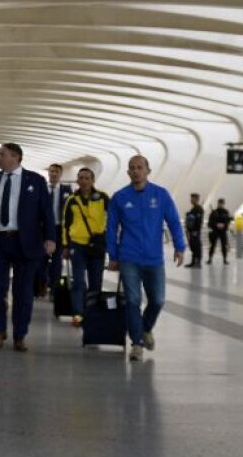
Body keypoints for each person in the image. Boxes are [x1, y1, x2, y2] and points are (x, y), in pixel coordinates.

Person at [0, 143, 54, 351]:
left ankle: (20, 334)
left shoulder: (35, 181)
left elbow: (46, 212)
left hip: (26, 243)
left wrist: (50, 238)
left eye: (2, 155)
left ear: (15, 157)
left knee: (23, 291)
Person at [107, 155, 185, 362]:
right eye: (132, 168)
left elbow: (174, 222)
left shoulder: (161, 195)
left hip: (154, 258)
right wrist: (113, 255)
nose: (136, 171)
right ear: (128, 172)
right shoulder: (120, 197)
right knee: (133, 300)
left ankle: (146, 328)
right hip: (129, 257)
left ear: (148, 171)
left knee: (157, 300)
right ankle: (137, 344)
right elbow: (111, 228)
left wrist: (180, 246)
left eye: (140, 167)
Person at [60, 167, 108, 322]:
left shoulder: (103, 198)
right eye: (81, 178)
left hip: (97, 245)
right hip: (77, 245)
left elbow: (113, 220)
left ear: (93, 180)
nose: (84, 181)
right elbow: (65, 224)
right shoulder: (72, 200)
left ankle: (92, 313)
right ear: (77, 180)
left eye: (87, 178)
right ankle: (78, 313)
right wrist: (66, 246)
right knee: (79, 281)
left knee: (96, 282)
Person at [41, 163, 72, 294]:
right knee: (41, 258)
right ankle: (41, 285)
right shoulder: (41, 188)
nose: (54, 174)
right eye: (52, 171)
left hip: (60, 229)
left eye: (57, 172)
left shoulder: (67, 190)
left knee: (57, 260)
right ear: (48, 173)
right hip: (43, 229)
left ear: (60, 174)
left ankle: (54, 288)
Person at [207, 198, 232, 264]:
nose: (220, 204)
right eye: (219, 203)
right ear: (218, 203)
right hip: (215, 231)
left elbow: (228, 221)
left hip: (223, 232)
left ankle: (225, 259)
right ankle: (210, 259)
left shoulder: (226, 212)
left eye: (221, 203)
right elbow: (210, 223)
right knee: (212, 245)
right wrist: (216, 225)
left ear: (223, 204)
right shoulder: (214, 212)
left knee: (224, 246)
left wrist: (223, 225)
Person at [184, 193, 204, 268]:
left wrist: (195, 231)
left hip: (195, 232)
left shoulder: (198, 209)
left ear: (197, 199)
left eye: (192, 198)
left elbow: (198, 222)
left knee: (196, 246)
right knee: (193, 246)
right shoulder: (193, 209)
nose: (191, 200)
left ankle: (197, 262)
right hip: (191, 231)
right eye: (191, 198)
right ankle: (193, 262)